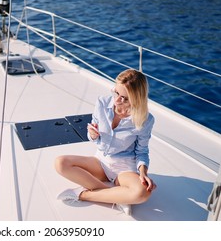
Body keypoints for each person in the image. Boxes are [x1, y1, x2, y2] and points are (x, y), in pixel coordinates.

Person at [55, 69, 157, 215]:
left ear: (137, 99)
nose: (117, 100)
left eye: (125, 98)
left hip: (125, 168)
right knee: (60, 163)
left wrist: (143, 173)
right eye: (116, 92)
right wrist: (92, 134)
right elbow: (94, 137)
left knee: (142, 193)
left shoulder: (145, 120)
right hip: (101, 162)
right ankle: (116, 196)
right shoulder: (102, 103)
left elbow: (142, 151)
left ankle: (84, 195)